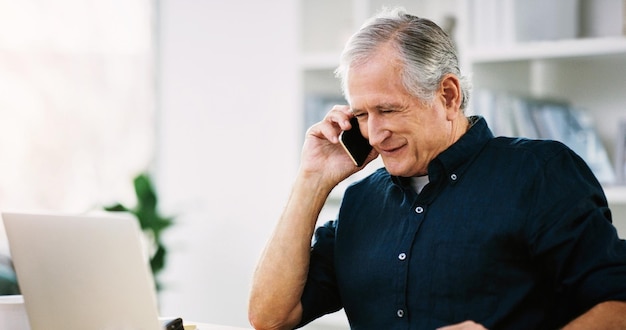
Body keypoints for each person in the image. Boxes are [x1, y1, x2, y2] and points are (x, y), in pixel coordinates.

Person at [248, 7, 626, 330]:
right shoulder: (360, 202)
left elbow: (618, 305)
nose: (376, 134)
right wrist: (311, 181)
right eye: (362, 115)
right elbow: (270, 317)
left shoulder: (540, 173)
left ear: (448, 95)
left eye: (388, 110)